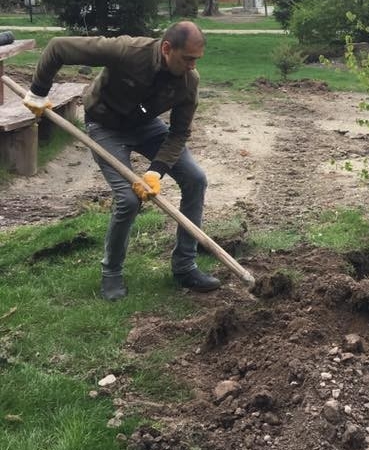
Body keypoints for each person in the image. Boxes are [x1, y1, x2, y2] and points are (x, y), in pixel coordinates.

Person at [22, 21, 220, 301]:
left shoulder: (189, 81)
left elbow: (178, 133)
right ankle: (111, 273)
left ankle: (185, 267)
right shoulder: (127, 51)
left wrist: (156, 171)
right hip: (105, 126)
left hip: (146, 126)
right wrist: (38, 92)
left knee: (196, 180)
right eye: (187, 59)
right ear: (166, 48)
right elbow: (57, 47)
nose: (192, 66)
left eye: (196, 60)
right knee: (128, 199)